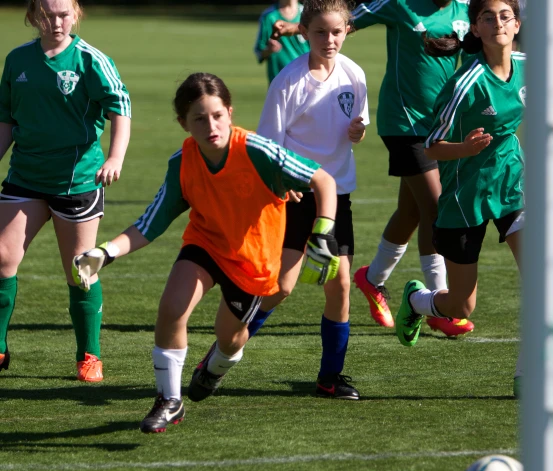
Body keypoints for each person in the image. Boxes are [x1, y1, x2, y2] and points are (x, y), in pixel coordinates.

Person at [72, 73, 340, 433]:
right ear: (184, 123)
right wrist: (104, 253)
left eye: (217, 115)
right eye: (199, 118)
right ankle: (169, 400)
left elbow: (323, 181)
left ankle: (216, 365)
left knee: (230, 338)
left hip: (252, 259)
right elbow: (148, 225)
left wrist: (323, 233)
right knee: (172, 308)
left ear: (229, 113)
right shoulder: (182, 162)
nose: (210, 125)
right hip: (206, 244)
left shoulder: (258, 151)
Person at [395, 0, 553, 398]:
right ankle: (417, 301)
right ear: (475, 29)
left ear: (517, 24)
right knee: (460, 308)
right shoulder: (467, 83)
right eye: (488, 17)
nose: (498, 23)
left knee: (542, 281)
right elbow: (432, 146)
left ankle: (527, 375)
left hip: (513, 186)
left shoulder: (528, 66)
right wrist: (465, 150)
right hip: (464, 197)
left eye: (505, 16)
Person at [272, 0, 476, 339]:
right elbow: (351, 19)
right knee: (435, 209)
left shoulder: (465, 10)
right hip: (404, 122)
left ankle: (372, 278)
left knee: (410, 212)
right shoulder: (400, 4)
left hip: (441, 124)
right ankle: (440, 303)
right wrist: (299, 28)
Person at [0, 0, 131, 382]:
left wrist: (115, 157)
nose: (55, 22)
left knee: (81, 270)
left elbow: (120, 107)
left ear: (75, 15)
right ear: (32, 16)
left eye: (63, 14)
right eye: (46, 14)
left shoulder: (91, 60)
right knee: (3, 259)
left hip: (76, 180)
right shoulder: (18, 60)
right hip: (25, 175)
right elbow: (6, 119)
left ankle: (89, 355)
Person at [250, 0, 368, 400]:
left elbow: (358, 125)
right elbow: (267, 144)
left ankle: (330, 377)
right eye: (320, 32)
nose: (329, 39)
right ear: (303, 32)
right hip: (296, 194)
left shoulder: (354, 75)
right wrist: (284, 183)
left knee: (340, 285)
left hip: (338, 196)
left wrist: (357, 133)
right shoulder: (288, 80)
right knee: (281, 287)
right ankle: (224, 348)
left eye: (336, 31)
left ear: (347, 30)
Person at [254, 0, 310, 85]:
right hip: (279, 82)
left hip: (305, 79)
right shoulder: (269, 16)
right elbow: (259, 52)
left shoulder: (308, 14)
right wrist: (269, 49)